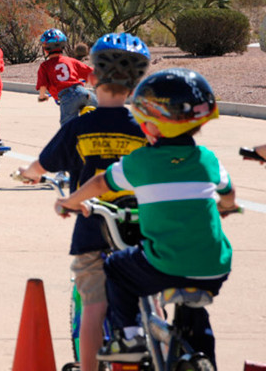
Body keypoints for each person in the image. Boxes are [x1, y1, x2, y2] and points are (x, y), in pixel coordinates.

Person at [57, 68, 237, 367]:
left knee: (115, 268)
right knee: (194, 310)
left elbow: (101, 183)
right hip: (215, 266)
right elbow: (228, 193)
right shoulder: (208, 159)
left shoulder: (141, 161)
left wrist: (70, 201)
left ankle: (130, 335)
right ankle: (203, 361)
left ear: (150, 124)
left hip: (165, 260)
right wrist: (225, 207)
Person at [18, 33, 151, 371]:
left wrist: (28, 173)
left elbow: (42, 165)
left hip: (94, 226)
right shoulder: (146, 129)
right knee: (149, 295)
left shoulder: (79, 127)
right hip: (141, 225)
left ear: (91, 78)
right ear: (137, 85)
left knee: (93, 303)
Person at [36, 28, 97, 126]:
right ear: (63, 46)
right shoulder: (71, 61)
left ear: (45, 49)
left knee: (67, 128)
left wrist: (42, 96)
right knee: (103, 112)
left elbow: (43, 85)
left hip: (67, 97)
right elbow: (92, 74)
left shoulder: (45, 66)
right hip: (83, 92)